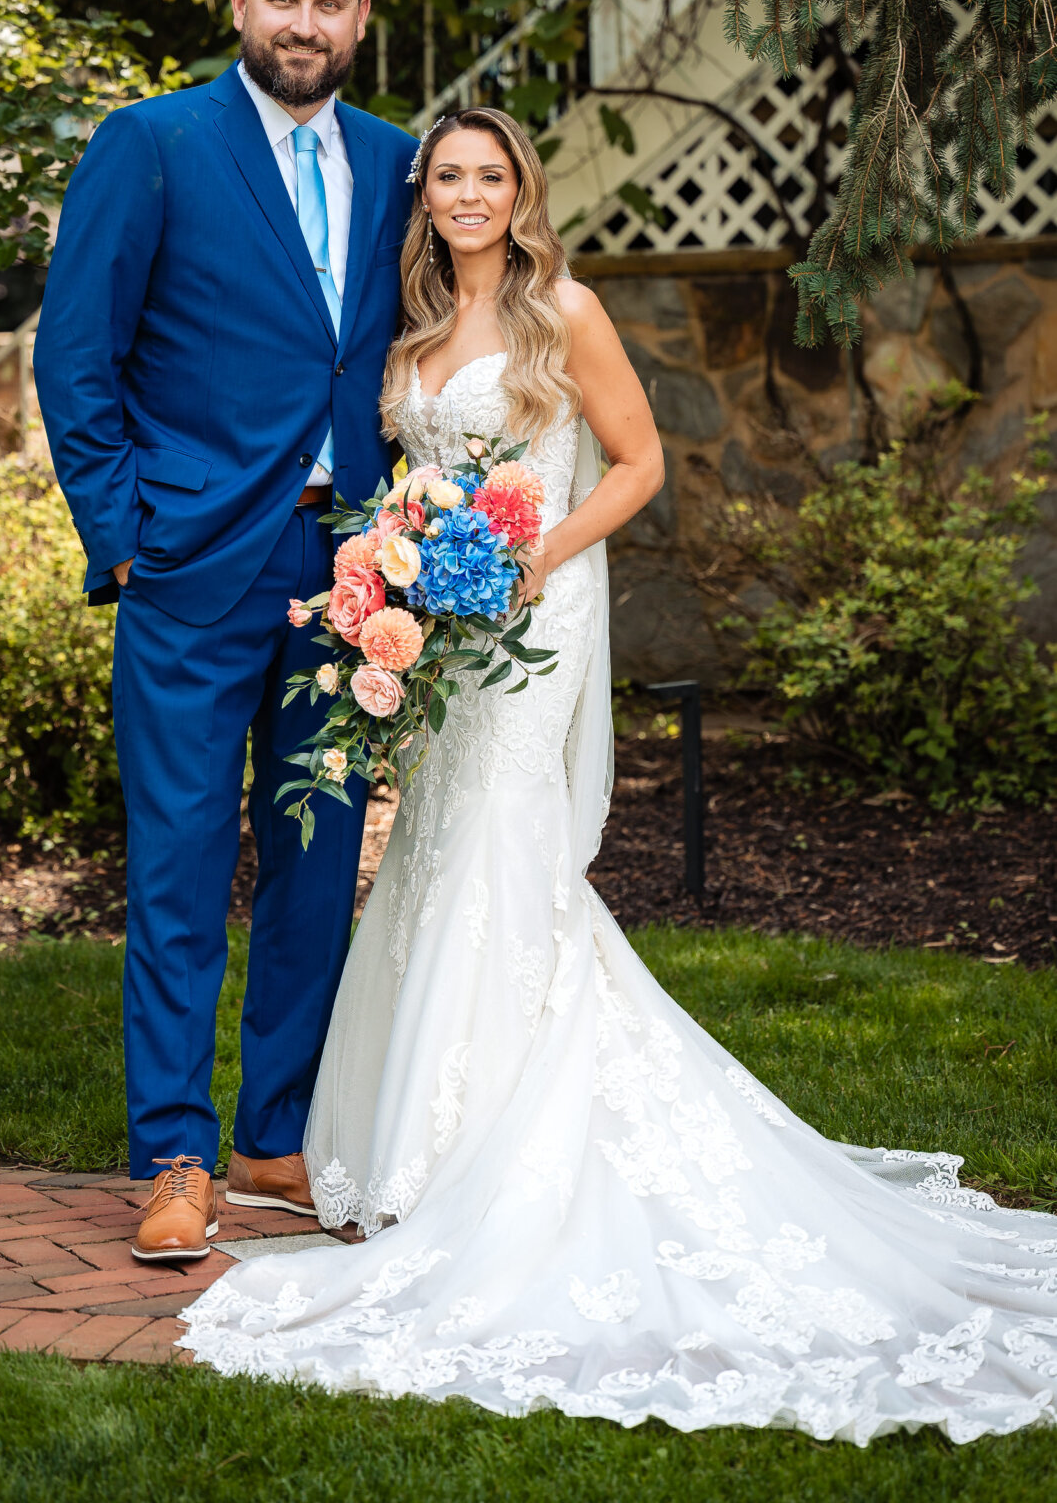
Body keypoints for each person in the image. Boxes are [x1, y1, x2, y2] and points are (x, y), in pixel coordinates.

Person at [178, 108, 1057, 1444]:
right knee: (430, 852)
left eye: (490, 177)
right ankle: (428, 1146)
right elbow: (412, 477)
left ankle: (485, 1153)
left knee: (500, 854)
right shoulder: (410, 332)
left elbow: (637, 464)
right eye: (447, 179)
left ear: (522, 192)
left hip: (533, 616)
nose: (467, 195)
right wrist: (393, 562)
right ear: (423, 198)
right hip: (442, 632)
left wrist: (531, 560)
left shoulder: (563, 311)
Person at [33, 0, 415, 1260]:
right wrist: (125, 531)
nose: (304, 24)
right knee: (183, 860)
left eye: (330, 4)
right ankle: (174, 1153)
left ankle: (275, 1140)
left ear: (360, 19)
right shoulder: (152, 145)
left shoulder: (398, 162)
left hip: (353, 568)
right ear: (240, 4)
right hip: (195, 561)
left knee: (318, 862)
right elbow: (75, 354)